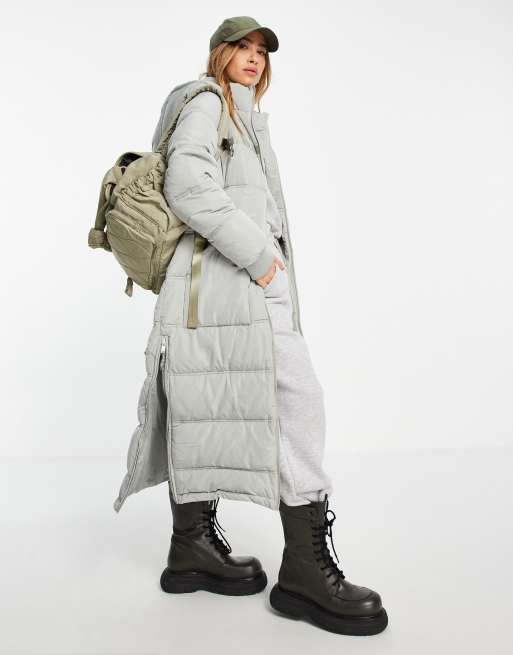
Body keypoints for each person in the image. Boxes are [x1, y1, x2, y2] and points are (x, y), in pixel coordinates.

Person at [113, 16, 388, 636]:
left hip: (223, 288)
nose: (255, 56)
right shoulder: (208, 103)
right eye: (242, 46)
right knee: (296, 404)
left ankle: (191, 551)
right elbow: (188, 186)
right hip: (229, 286)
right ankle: (305, 575)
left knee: (198, 406)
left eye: (262, 49)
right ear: (218, 54)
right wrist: (265, 260)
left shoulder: (244, 116)